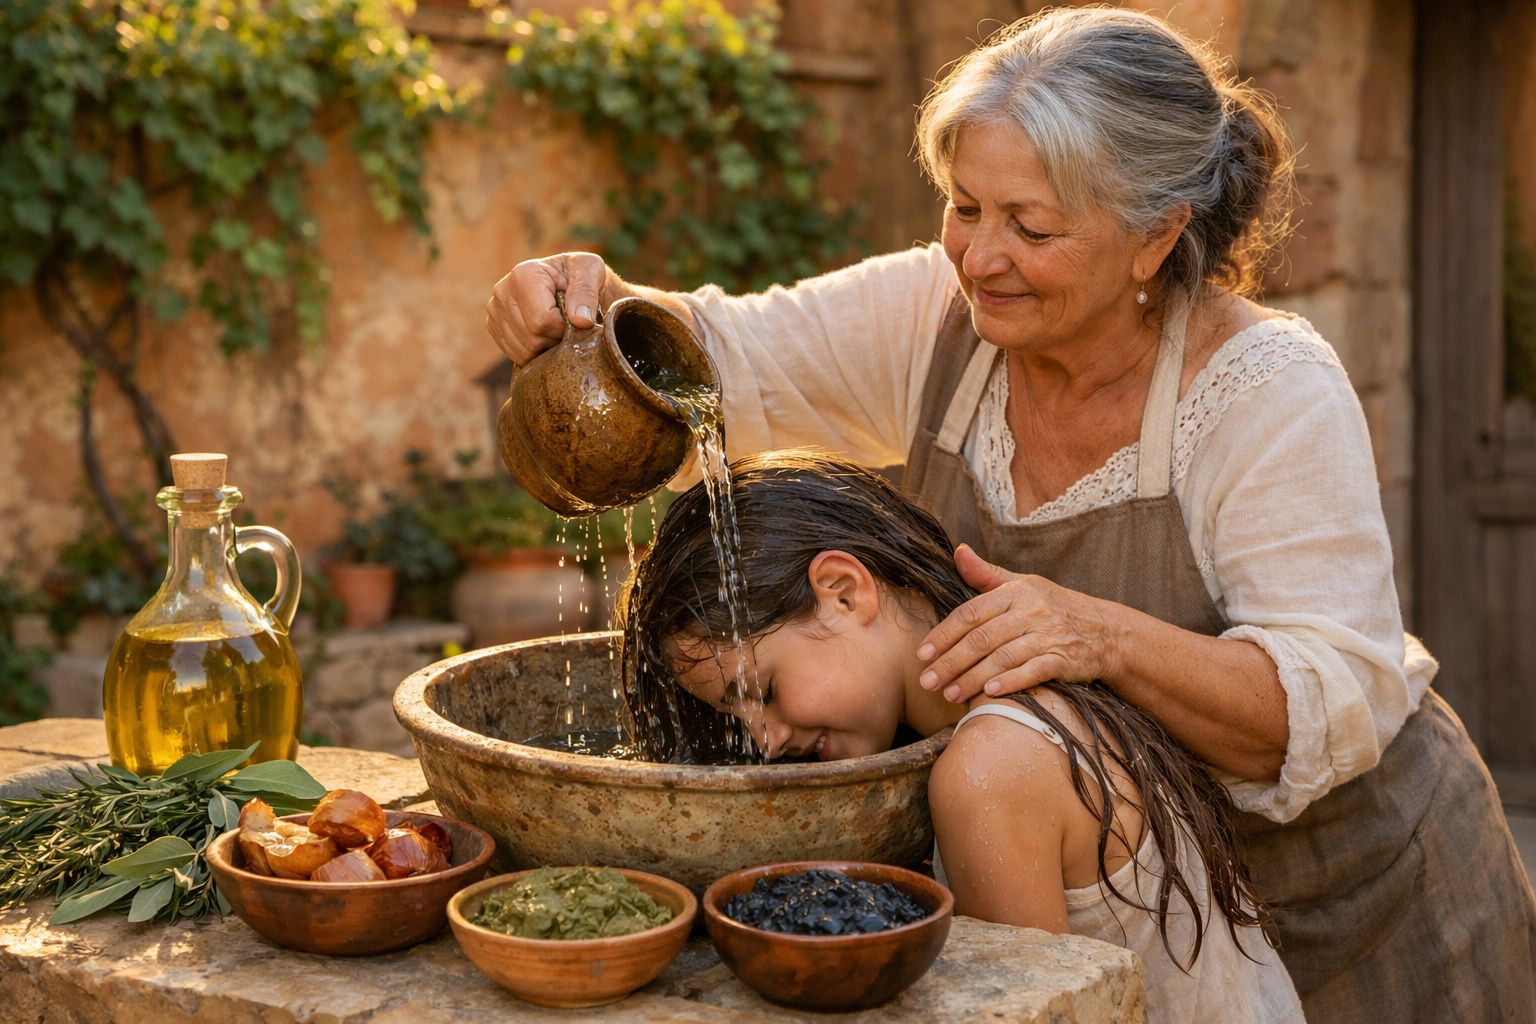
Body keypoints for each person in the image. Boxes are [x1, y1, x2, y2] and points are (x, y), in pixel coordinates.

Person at [486, 7, 1536, 1021]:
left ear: (1155, 235)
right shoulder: (940, 317)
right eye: (964, 206)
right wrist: (591, 307)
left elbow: (1327, 700)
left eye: (1030, 225)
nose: (978, 255)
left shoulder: (1268, 390)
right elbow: (715, 364)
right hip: (1133, 894)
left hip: (1356, 893)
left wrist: (1097, 632)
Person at [620, 448, 1303, 1023]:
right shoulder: (1016, 694)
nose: (764, 741)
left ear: (843, 590)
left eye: (761, 692)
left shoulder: (991, 769)